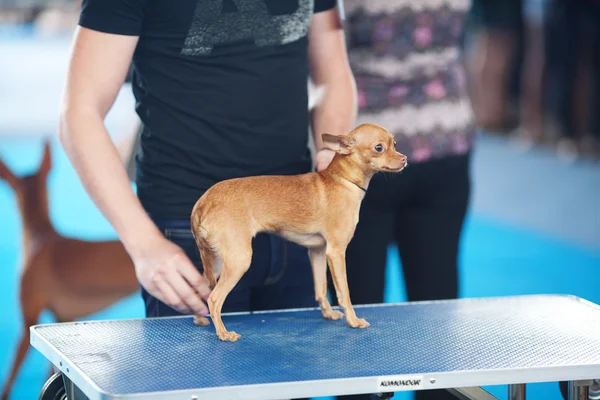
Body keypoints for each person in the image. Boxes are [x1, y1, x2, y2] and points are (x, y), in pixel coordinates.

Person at [58, 0, 357, 322]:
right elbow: (79, 112)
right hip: (192, 224)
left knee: (305, 369)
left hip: (297, 218)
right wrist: (144, 244)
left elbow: (333, 76)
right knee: (202, 370)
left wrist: (335, 148)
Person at [325, 2, 475, 399]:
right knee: (435, 312)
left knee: (356, 315)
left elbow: (322, 58)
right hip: (443, 137)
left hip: (367, 154)